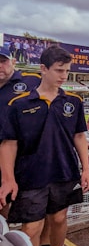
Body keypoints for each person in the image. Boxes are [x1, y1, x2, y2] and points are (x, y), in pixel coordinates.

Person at [0, 45, 89, 246]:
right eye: (59, 70)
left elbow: (79, 136)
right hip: (31, 174)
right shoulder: (18, 104)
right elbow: (8, 144)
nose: (64, 76)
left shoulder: (73, 102)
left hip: (64, 172)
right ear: (43, 69)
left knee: (59, 219)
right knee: (32, 227)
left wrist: (85, 169)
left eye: (67, 70)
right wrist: (8, 179)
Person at [0, 45, 41, 219]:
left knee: (34, 207)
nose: (0, 66)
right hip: (2, 154)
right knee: (2, 201)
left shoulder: (32, 81)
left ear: (13, 62)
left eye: (3, 61)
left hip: (26, 156)